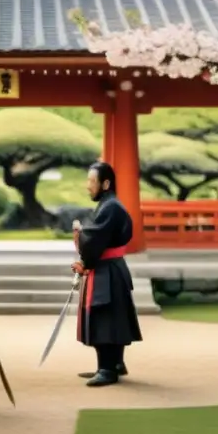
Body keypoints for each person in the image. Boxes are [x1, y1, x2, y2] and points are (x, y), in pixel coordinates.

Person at [73, 161, 143, 387]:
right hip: (111, 267)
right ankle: (115, 363)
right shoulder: (109, 204)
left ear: (105, 183)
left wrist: (80, 236)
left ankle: (107, 369)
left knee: (104, 317)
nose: (88, 186)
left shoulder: (110, 206)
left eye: (92, 181)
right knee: (113, 316)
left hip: (107, 269)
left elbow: (93, 239)